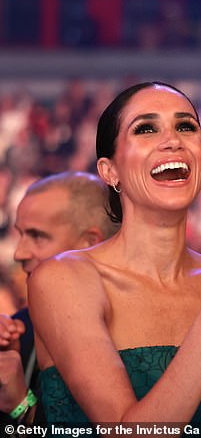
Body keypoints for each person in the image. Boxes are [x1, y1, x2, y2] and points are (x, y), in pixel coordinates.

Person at [27, 82, 201, 436]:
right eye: (146, 128)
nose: (173, 140)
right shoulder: (63, 278)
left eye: (186, 126)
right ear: (109, 171)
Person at [0, 171, 120, 425]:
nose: (19, 253)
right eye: (20, 234)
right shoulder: (19, 329)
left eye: (37, 236)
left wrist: (23, 405)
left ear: (89, 244)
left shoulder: (138, 334)